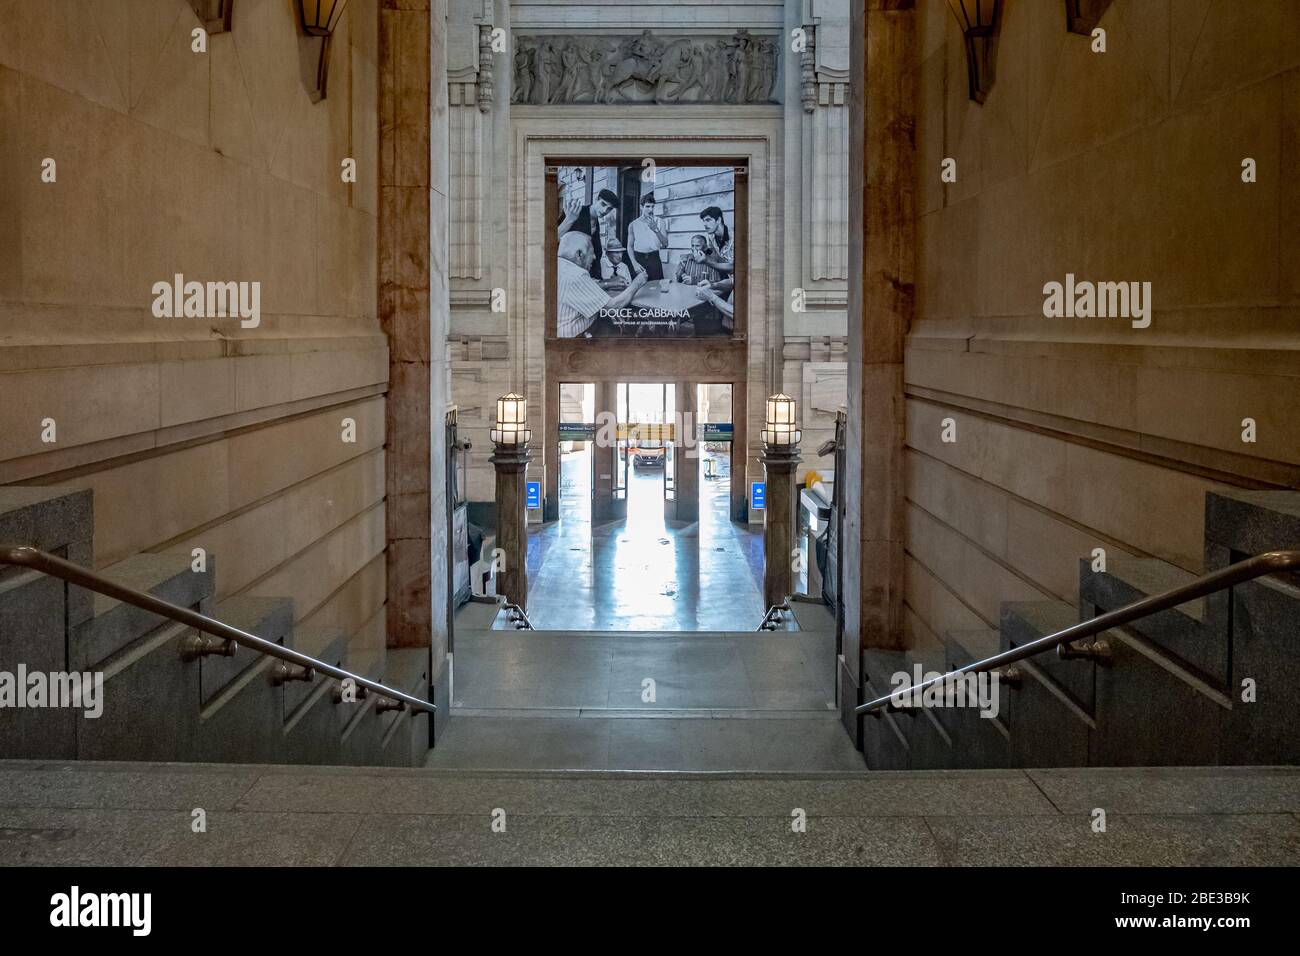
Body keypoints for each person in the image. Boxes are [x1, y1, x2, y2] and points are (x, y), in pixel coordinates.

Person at [557, 232, 648, 337]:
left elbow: (582, 286)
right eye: (592, 253)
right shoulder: (576, 274)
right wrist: (637, 282)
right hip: (580, 336)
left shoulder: (559, 265)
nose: (595, 257)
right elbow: (612, 307)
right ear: (579, 254)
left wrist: (608, 283)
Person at [559, 188, 619, 278]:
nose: (604, 211)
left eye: (609, 209)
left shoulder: (598, 224)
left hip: (585, 276)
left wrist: (598, 278)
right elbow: (550, 239)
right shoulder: (575, 212)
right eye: (603, 204)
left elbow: (596, 257)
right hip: (566, 274)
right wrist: (569, 220)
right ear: (596, 199)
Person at [626, 192, 668, 279]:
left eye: (652, 207)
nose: (651, 210)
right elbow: (630, 246)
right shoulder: (633, 224)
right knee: (639, 288)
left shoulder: (660, 222)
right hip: (639, 259)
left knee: (656, 287)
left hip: (654, 258)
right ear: (641, 207)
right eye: (648, 206)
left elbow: (665, 244)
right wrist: (634, 263)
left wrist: (656, 230)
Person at [699, 206, 735, 277]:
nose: (705, 224)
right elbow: (717, 259)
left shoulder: (733, 236)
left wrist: (707, 262)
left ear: (718, 220)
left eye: (708, 220)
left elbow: (733, 267)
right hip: (725, 278)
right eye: (704, 221)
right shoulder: (711, 236)